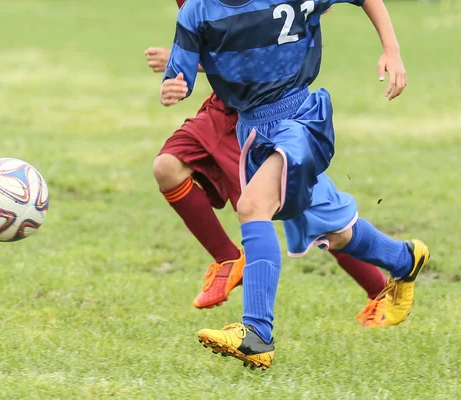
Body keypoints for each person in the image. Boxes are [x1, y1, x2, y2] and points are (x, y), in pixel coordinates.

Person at [160, 0, 430, 370]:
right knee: (335, 233)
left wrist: (391, 50)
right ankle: (405, 258)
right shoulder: (195, 11)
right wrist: (174, 87)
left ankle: (257, 334)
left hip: (301, 119)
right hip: (252, 132)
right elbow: (183, 71)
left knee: (253, 207)